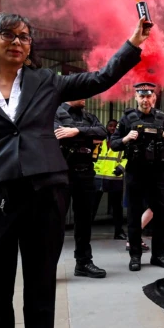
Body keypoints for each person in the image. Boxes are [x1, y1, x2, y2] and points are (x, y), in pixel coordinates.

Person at [0, 12, 150, 328]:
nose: (18, 42)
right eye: (8, 35)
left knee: (41, 294)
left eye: (24, 37)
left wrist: (133, 43)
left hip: (44, 196)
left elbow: (99, 79)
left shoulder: (46, 81)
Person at [111, 82, 164, 271]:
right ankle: (135, 256)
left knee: (161, 214)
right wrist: (125, 138)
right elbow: (114, 144)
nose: (145, 100)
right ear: (136, 97)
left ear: (153, 98)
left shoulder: (162, 118)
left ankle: (158, 255)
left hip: (158, 173)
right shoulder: (127, 118)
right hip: (136, 173)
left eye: (149, 96)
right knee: (133, 215)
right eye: (142, 96)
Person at [55, 99, 107, 278]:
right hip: (61, 174)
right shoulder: (55, 112)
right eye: (82, 93)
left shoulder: (89, 117)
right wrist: (85, 135)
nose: (86, 97)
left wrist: (76, 131)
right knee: (54, 223)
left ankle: (83, 263)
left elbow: (102, 132)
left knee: (84, 221)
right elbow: (57, 134)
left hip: (85, 174)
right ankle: (47, 268)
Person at [93, 118, 128, 240]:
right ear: (107, 127)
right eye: (110, 126)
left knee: (117, 208)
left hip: (114, 177)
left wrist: (121, 168)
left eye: (115, 126)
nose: (112, 128)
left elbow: (126, 157)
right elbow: (94, 156)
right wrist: (93, 168)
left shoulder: (122, 142)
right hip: (98, 176)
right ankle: (85, 231)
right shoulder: (100, 141)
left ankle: (118, 232)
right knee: (92, 206)